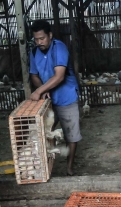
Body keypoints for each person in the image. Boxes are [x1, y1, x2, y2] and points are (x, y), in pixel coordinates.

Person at [29, 20, 81, 176]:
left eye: (42, 38)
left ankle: (69, 167)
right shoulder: (33, 52)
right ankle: (45, 166)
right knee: (43, 132)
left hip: (67, 97)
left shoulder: (59, 48)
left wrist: (39, 91)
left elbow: (59, 76)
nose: (39, 42)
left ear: (50, 35)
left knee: (71, 134)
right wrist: (43, 89)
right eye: (36, 39)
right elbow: (34, 75)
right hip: (49, 100)